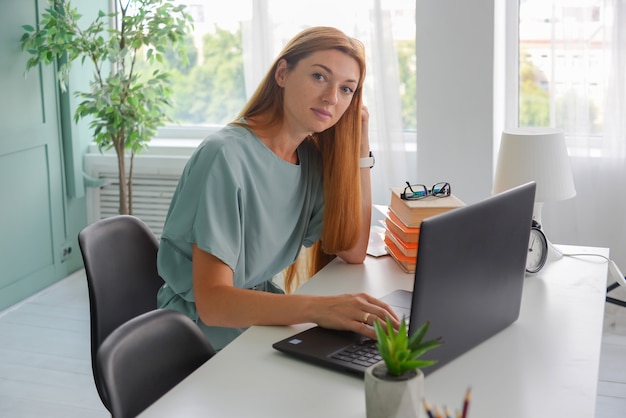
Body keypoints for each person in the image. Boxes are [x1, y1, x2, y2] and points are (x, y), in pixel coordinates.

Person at [157, 26, 399, 351]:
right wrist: (320, 309)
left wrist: (360, 144)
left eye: (347, 90)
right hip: (199, 338)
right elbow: (214, 305)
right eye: (319, 77)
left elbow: (353, 249)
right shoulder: (224, 156)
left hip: (256, 323)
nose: (332, 97)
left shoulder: (309, 160)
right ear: (282, 73)